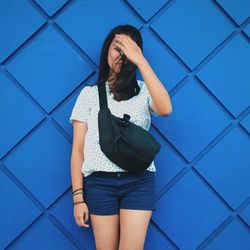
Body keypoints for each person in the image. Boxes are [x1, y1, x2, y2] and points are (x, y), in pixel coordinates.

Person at [69, 24, 172, 250]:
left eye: (129, 51)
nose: (121, 56)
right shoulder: (89, 95)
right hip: (99, 184)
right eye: (117, 48)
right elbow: (77, 150)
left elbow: (165, 109)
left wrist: (141, 61)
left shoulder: (145, 91)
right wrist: (78, 198)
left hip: (138, 182)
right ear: (107, 50)